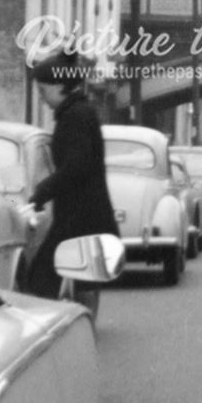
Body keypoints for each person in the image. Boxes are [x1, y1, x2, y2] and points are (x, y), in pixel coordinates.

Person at [25, 49, 120, 299]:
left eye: (43, 90)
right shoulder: (81, 112)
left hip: (78, 218)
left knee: (40, 281)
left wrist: (42, 192)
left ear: (59, 86)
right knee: (77, 281)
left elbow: (76, 166)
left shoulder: (74, 117)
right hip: (82, 216)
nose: (42, 98)